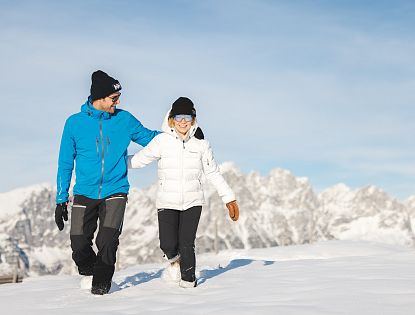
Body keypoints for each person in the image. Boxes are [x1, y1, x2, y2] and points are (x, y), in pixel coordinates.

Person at [54, 70, 160, 295]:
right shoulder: (74, 123)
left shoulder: (125, 119)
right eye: (114, 97)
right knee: (79, 243)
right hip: (84, 191)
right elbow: (65, 163)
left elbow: (150, 138)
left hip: (116, 190)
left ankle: (101, 290)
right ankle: (90, 273)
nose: (118, 101)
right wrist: (61, 199)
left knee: (108, 241)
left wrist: (181, 134)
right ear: (99, 98)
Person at [128, 96, 240, 288]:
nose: (183, 122)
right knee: (167, 245)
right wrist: (110, 162)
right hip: (166, 201)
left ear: (193, 120)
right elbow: (138, 160)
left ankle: (188, 282)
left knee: (187, 244)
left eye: (187, 118)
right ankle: (175, 262)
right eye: (179, 117)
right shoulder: (161, 141)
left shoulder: (201, 144)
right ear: (172, 119)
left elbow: (212, 172)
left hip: (193, 200)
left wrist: (229, 198)